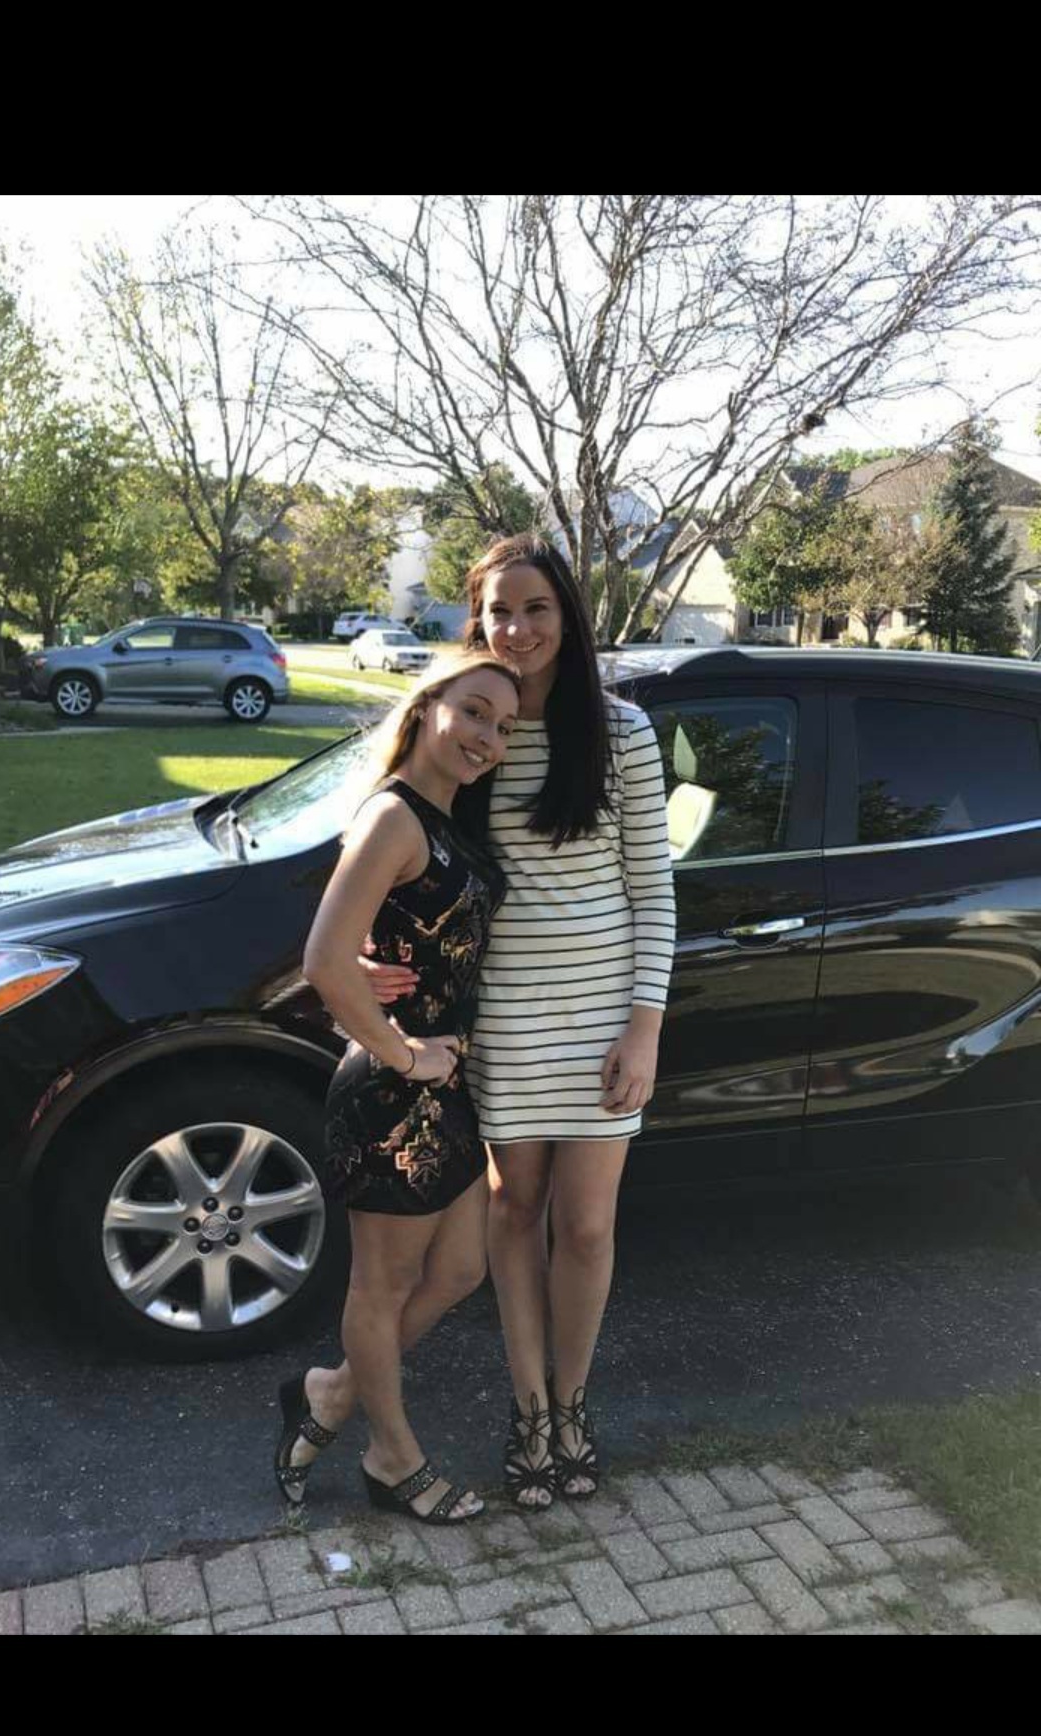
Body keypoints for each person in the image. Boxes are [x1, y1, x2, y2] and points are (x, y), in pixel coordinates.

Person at [365, 535, 675, 1508]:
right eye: (499, 610)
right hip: (498, 1018)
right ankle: (530, 1410)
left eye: (536, 608)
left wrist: (644, 1027)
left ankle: (573, 1404)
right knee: (515, 1212)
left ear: (567, 616)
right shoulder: (475, 729)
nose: (517, 628)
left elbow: (653, 892)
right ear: (478, 620)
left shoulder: (623, 734)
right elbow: (394, 830)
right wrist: (369, 948)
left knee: (585, 1226)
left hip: (600, 1021)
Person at [273, 649, 520, 1525]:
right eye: (474, 712)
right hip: (392, 1096)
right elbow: (323, 960)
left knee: (460, 1268)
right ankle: (392, 1455)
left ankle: (332, 1393)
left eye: (503, 726)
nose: (488, 737)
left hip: (446, 1089)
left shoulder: (446, 817)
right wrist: (403, 1054)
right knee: (379, 1288)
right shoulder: (393, 816)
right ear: (426, 708)